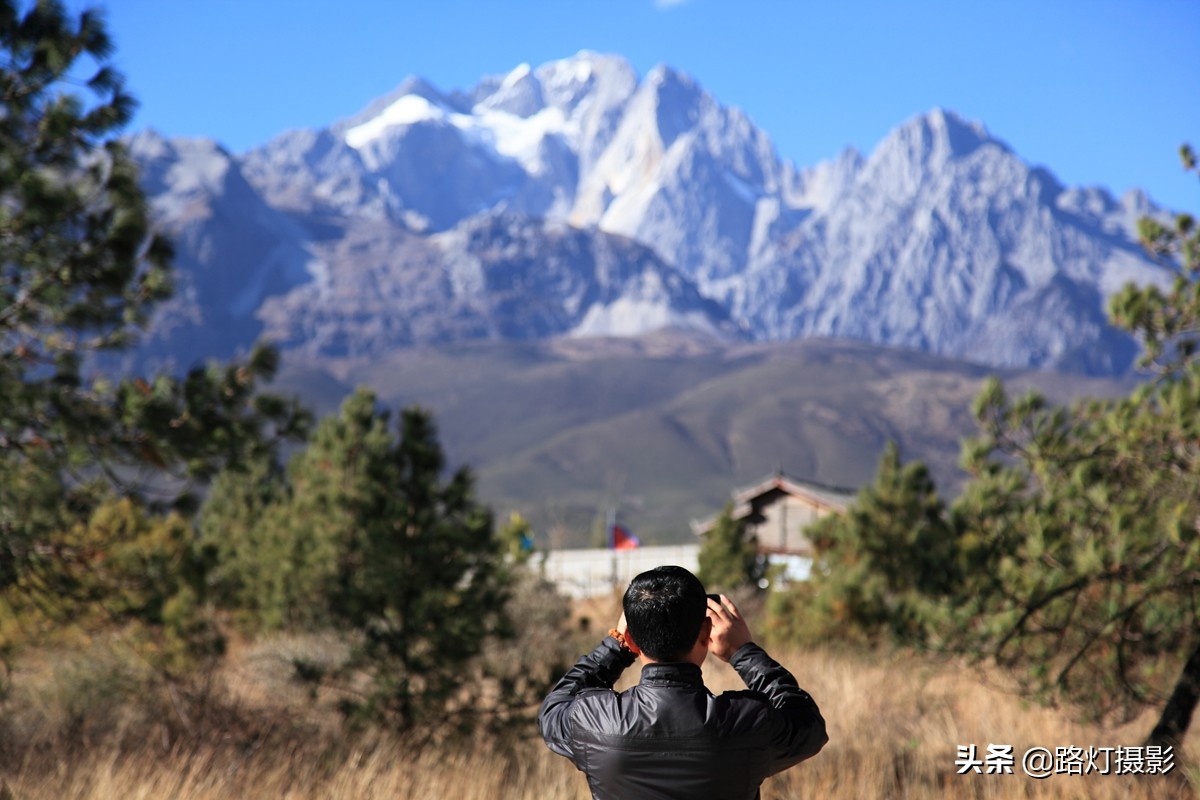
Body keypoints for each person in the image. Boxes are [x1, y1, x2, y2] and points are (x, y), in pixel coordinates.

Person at [539, 565, 827, 799]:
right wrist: (743, 652)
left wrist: (617, 646)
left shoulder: (593, 719)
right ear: (707, 631)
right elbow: (809, 726)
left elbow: (553, 709)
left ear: (631, 638)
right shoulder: (747, 720)